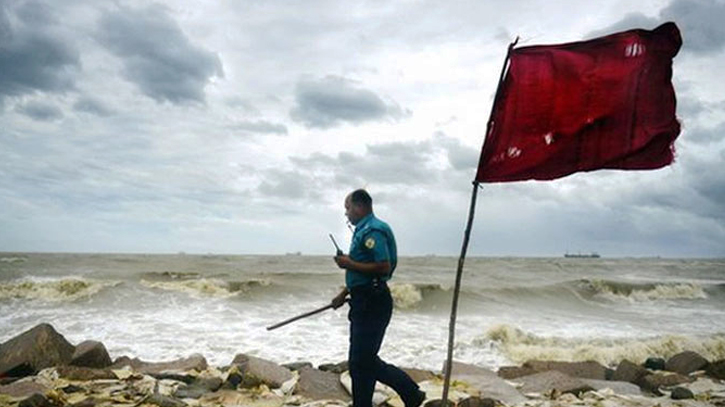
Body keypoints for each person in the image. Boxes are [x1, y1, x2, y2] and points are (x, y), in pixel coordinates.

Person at [331, 189, 426, 407]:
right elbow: (360, 274)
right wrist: (344, 293)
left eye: (348, 208)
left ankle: (411, 393)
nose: (346, 214)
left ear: (360, 206)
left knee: (362, 360)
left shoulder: (373, 230)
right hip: (363, 299)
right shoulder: (362, 230)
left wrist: (348, 263)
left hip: (373, 301)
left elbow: (383, 266)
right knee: (360, 362)